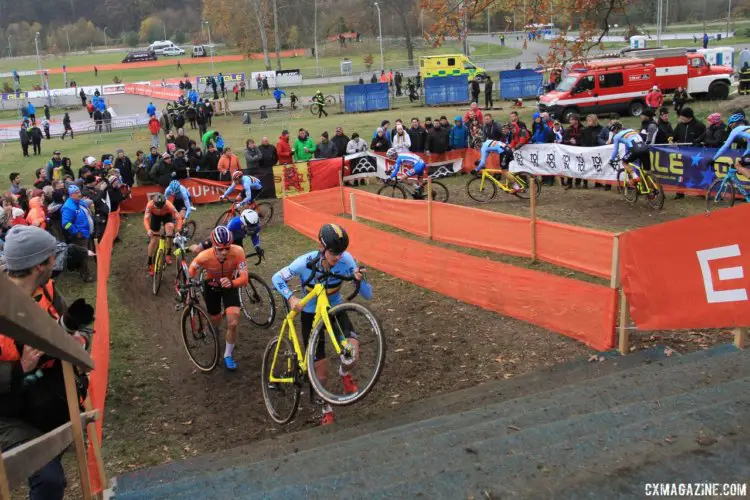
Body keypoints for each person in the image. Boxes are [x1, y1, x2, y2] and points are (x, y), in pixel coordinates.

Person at [0, 225, 95, 500]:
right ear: (39, 265)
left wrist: (80, 343)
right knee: (49, 478)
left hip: (48, 402)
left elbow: (78, 327)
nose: (56, 262)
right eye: (52, 257)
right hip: (8, 414)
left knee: (51, 473)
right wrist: (21, 369)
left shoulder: (49, 290)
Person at [271, 223, 371, 425]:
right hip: (310, 314)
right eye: (334, 252)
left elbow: (368, 295)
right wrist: (291, 298)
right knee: (321, 373)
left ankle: (344, 372)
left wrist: (361, 280)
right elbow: (277, 278)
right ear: (321, 247)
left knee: (352, 353)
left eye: (341, 252)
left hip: (335, 309)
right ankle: (326, 406)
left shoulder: (347, 260)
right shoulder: (304, 262)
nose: (338, 257)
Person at [188, 226, 248, 371]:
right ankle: (215, 328)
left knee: (233, 323)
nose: (224, 252)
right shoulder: (204, 256)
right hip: (211, 287)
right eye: (220, 249)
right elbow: (192, 269)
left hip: (230, 285)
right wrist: (191, 285)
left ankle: (227, 355)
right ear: (213, 245)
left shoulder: (238, 252)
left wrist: (232, 283)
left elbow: (244, 278)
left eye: (227, 248)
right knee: (216, 322)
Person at [191, 209, 262, 256]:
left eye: (254, 228)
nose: (252, 230)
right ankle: (188, 248)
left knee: (240, 257)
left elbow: (255, 235)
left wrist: (257, 246)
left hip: (237, 239)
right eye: (249, 228)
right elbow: (222, 239)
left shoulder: (255, 225)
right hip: (221, 235)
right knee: (198, 250)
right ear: (243, 223)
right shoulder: (234, 223)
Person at [144, 193, 180, 275]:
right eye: (158, 208)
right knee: (153, 240)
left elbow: (178, 217)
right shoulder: (150, 205)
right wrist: (148, 230)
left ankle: (168, 253)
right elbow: (146, 219)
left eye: (162, 207)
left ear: (165, 204)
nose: (160, 209)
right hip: (155, 217)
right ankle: (149, 263)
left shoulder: (169, 205)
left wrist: (177, 230)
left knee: (170, 231)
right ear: (154, 204)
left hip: (167, 216)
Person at [609, 121, 651, 187]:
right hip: (645, 148)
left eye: (612, 131)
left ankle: (635, 177)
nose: (613, 133)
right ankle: (651, 189)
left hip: (635, 149)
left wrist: (611, 159)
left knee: (624, 162)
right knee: (646, 171)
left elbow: (615, 150)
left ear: (616, 129)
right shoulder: (631, 130)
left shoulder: (616, 136)